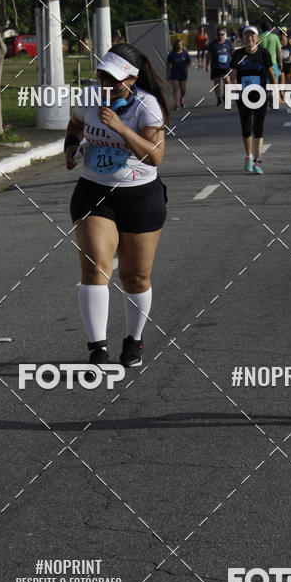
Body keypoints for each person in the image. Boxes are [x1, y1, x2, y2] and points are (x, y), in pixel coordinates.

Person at [65, 43, 169, 368]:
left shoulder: (147, 106)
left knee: (135, 276)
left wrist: (121, 128)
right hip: (95, 191)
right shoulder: (88, 99)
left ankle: (134, 340)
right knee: (96, 265)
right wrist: (70, 150)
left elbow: (154, 156)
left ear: (132, 79)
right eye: (103, 77)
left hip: (141, 196)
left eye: (115, 79)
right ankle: (97, 348)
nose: (107, 85)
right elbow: (75, 127)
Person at [230, 25, 276, 174]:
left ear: (257, 38)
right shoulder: (238, 54)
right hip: (243, 95)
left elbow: (271, 74)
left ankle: (257, 161)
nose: (249, 38)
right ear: (243, 39)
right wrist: (235, 87)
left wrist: (276, 92)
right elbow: (232, 75)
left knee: (259, 128)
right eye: (247, 36)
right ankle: (248, 156)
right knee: (246, 128)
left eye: (252, 36)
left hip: (260, 95)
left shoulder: (264, 54)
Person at [206, 26, 234, 106]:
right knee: (217, 83)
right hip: (215, 66)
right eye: (219, 35)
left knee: (227, 82)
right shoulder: (212, 44)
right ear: (217, 35)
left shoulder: (228, 43)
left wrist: (234, 64)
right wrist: (207, 65)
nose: (220, 36)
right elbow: (208, 55)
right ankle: (219, 99)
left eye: (222, 34)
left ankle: (225, 95)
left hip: (226, 66)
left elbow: (232, 53)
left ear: (224, 35)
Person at [166, 39, 191, 110]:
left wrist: (187, 68)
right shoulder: (172, 54)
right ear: (175, 45)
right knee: (175, 89)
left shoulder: (185, 53)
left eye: (180, 44)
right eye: (177, 44)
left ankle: (182, 98)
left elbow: (189, 62)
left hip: (183, 73)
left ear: (182, 45)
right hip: (174, 73)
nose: (179, 46)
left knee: (183, 90)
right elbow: (168, 64)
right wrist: (167, 74)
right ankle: (176, 104)